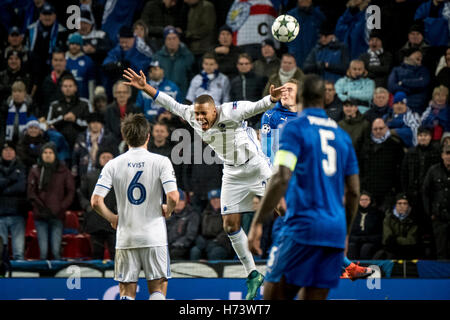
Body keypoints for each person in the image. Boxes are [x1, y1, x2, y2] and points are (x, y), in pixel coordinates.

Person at [123, 67, 287, 300]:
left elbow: (255, 107)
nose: (200, 120)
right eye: (197, 116)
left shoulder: (230, 111)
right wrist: (145, 87)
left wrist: (271, 99)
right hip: (231, 171)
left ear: (214, 110)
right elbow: (170, 103)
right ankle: (252, 274)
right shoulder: (192, 115)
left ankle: (316, 252)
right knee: (230, 225)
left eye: (204, 116)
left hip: (256, 165)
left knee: (283, 209)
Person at [248, 74, 361, 300]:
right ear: (324, 99)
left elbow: (280, 177)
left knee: (272, 297)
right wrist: (345, 233)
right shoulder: (342, 135)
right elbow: (354, 192)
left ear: (300, 97)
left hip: (303, 227)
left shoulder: (294, 128)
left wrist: (258, 222)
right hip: (335, 232)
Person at [91, 113, 179, 300]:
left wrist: (112, 218)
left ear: (124, 137)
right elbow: (173, 196)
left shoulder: (113, 164)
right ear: (148, 136)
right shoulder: (161, 161)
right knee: (157, 289)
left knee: (126, 292)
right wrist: (168, 210)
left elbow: (96, 201)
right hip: (154, 236)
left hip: (126, 237)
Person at [27, 142, 75, 260]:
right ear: (41, 155)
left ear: (55, 155)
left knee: (56, 251)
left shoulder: (64, 171)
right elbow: (31, 193)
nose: (48, 155)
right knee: (43, 252)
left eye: (50, 153)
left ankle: (57, 278)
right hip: (40, 216)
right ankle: (43, 278)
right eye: (45, 153)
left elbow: (71, 192)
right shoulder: (35, 170)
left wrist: (61, 207)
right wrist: (41, 208)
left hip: (57, 216)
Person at [78, 147, 117, 260]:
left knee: (116, 254)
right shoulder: (90, 176)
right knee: (96, 253)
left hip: (114, 220)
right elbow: (81, 194)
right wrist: (88, 207)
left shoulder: (120, 176)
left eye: (109, 157)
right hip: (95, 220)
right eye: (103, 157)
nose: (106, 160)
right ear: (98, 159)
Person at [359, 118, 405, 213]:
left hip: (388, 192)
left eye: (381, 128)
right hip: (369, 191)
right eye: (375, 129)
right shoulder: (365, 146)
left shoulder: (395, 145)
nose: (378, 131)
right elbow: (360, 168)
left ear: (386, 128)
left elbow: (401, 170)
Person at [46, 75, 92, 151]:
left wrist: (75, 120)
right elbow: (48, 124)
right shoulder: (54, 105)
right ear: (61, 88)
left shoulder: (85, 104)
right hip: (59, 143)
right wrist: (63, 118)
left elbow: (90, 124)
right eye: (65, 86)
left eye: (70, 86)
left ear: (75, 88)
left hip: (81, 142)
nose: (67, 88)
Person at [422, 143, 450, 259]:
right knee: (441, 249)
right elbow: (425, 192)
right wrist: (430, 213)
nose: (449, 156)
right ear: (442, 155)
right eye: (447, 153)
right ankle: (443, 275)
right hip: (439, 217)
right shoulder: (433, 170)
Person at [0, 142, 27, 260]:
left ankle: (19, 278)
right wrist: (12, 179)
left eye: (11, 150)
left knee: (18, 252)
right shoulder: (16, 172)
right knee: (0, 252)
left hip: (18, 213)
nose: (8, 152)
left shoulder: (22, 167)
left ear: (15, 153)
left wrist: (4, 186)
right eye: (6, 150)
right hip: (0, 213)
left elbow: (22, 187)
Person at [153, 26, 195, 101]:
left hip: (182, 98)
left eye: (174, 38)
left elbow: (192, 78)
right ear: (165, 41)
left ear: (179, 40)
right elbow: (152, 78)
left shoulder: (187, 56)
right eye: (169, 39)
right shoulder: (157, 57)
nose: (172, 41)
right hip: (162, 98)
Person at [71, 112, 118, 179]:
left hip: (104, 175)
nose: (95, 125)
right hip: (84, 174)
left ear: (102, 124)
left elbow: (116, 156)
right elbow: (75, 155)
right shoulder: (81, 137)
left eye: (98, 122)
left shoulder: (110, 138)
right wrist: (74, 170)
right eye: (93, 122)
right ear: (89, 124)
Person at [373, 193, 420, 259]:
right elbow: (387, 239)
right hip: (391, 249)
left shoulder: (414, 219)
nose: (402, 206)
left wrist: (395, 240)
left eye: (405, 203)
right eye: (399, 203)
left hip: (408, 250)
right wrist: (400, 240)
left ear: (409, 206)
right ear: (395, 205)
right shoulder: (388, 218)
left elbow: (412, 240)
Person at [190, 189, 233, 260]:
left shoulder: (227, 213)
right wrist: (199, 239)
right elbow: (198, 229)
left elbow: (228, 231)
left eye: (217, 198)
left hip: (221, 244)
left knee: (215, 252)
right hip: (206, 242)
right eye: (213, 199)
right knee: (195, 251)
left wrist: (216, 241)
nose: (215, 201)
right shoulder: (205, 213)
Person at [388, 47, 431, 115]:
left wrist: (403, 82)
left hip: (417, 107)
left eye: (421, 55)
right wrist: (410, 90)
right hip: (399, 105)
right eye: (417, 54)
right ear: (409, 55)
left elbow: (422, 83)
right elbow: (392, 86)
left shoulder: (424, 70)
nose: (420, 56)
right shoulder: (396, 70)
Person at [230, 53, 267, 128]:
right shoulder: (234, 81)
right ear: (237, 66)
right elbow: (232, 101)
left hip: (257, 119)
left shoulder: (260, 80)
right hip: (239, 120)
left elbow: (263, 99)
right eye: (241, 64)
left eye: (246, 63)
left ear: (251, 65)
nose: (244, 66)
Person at [286, 0, 326, 68]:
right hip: (295, 59)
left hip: (313, 60)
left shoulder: (319, 16)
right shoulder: (289, 16)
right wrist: (292, 50)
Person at [347, 191, 382, 260]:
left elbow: (379, 233)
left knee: (366, 248)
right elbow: (349, 232)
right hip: (355, 240)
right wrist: (356, 238)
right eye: (361, 199)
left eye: (366, 199)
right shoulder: (353, 213)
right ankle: (352, 269)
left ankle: (364, 269)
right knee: (351, 247)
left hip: (370, 241)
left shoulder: (377, 214)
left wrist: (366, 238)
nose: (364, 201)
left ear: (370, 201)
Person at [166, 189, 200, 259]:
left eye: (181, 200)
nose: (178, 203)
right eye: (176, 201)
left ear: (185, 202)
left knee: (174, 253)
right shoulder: (168, 215)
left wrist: (177, 244)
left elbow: (190, 235)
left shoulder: (192, 215)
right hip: (169, 245)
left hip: (183, 247)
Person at [65, 33, 96, 101]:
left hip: (83, 98)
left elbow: (91, 83)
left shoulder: (88, 61)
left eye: (77, 44)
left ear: (81, 46)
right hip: (65, 99)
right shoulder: (63, 59)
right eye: (72, 44)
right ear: (69, 45)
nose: (74, 46)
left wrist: (91, 101)